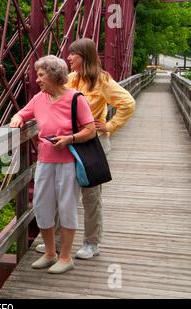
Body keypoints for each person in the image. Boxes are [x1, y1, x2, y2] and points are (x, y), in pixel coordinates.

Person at [36, 38, 136, 259]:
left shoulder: (103, 81)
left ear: (85, 57)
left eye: (73, 54)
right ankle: (59, 241)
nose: (68, 57)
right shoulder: (70, 79)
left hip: (92, 143)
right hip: (69, 142)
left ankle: (92, 243)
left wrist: (109, 125)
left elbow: (128, 103)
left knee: (91, 195)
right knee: (65, 193)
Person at [10, 55, 96, 274]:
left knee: (66, 208)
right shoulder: (39, 99)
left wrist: (70, 139)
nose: (37, 79)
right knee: (42, 206)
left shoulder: (76, 98)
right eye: (37, 75)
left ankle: (65, 257)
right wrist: (18, 118)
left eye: (41, 75)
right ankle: (50, 253)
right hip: (45, 161)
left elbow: (90, 129)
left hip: (68, 161)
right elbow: (22, 112)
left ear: (55, 75)